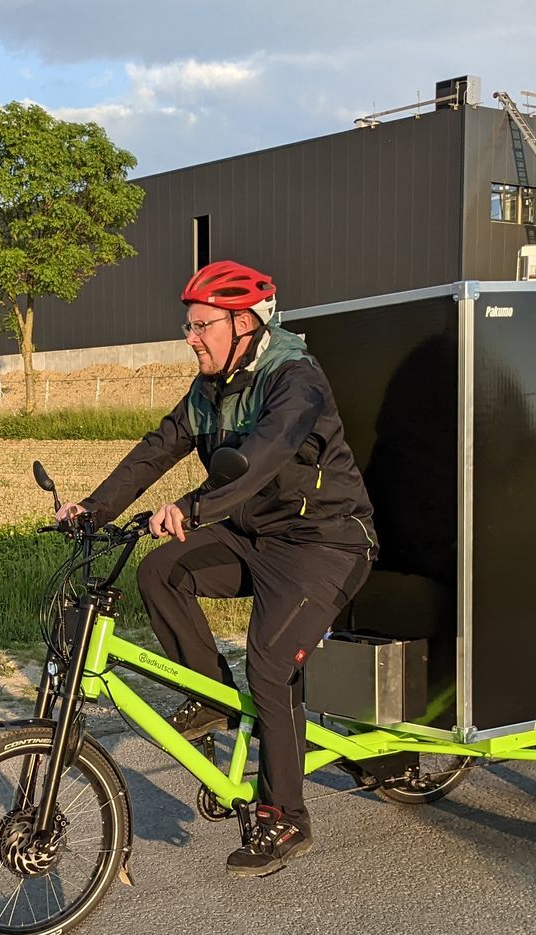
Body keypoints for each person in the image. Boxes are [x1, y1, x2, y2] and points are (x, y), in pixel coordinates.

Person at [60, 260, 377, 877]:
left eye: (202, 325)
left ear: (247, 325)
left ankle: (285, 814)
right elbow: (158, 447)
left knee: (270, 664)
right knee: (161, 573)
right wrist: (93, 510)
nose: (191, 337)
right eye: (189, 326)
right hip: (254, 536)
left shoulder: (295, 379)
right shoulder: (209, 390)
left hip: (324, 545)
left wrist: (194, 507)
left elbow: (262, 456)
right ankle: (212, 700)